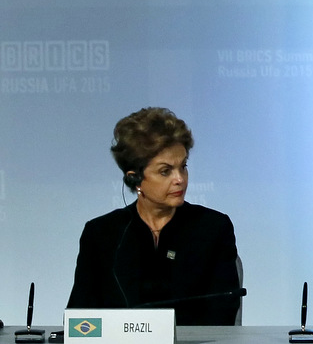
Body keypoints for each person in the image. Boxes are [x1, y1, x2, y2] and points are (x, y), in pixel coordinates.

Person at [68, 107, 241, 325]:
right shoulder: (101, 234)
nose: (180, 179)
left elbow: (221, 315)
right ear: (135, 179)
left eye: (183, 166)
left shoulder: (213, 229)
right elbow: (81, 320)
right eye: (165, 171)